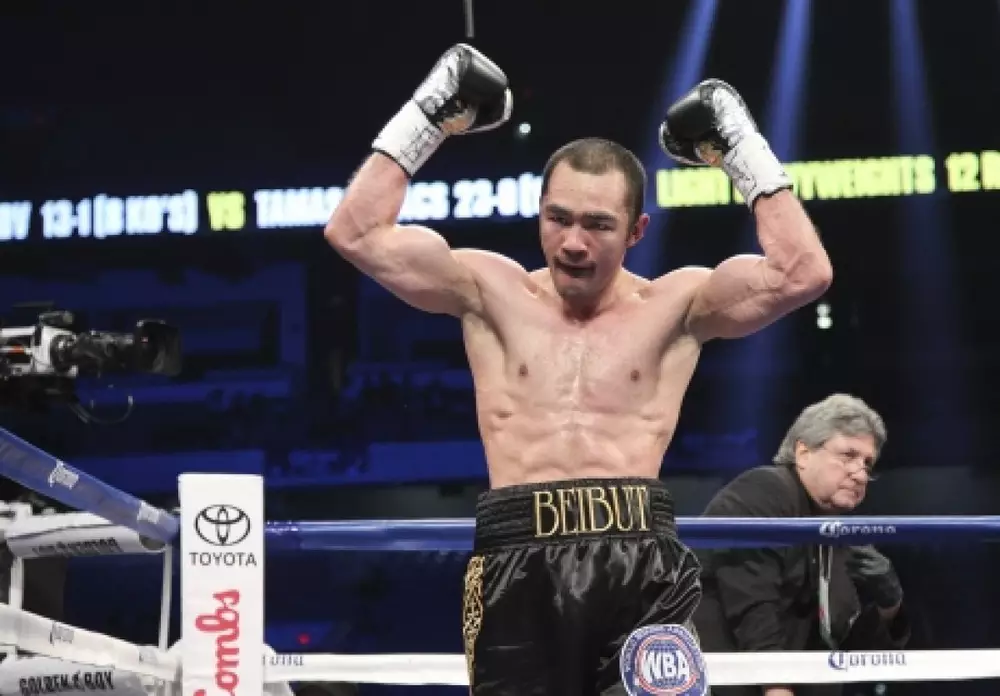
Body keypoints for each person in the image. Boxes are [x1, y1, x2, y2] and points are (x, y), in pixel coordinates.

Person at [325, 44, 832, 696]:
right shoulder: (487, 291)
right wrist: (426, 120)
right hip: (516, 558)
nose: (572, 242)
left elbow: (802, 272)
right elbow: (355, 232)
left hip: (640, 558)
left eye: (598, 225)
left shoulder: (677, 306)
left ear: (637, 231)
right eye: (558, 218)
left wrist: (741, 148)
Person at [693, 394, 910, 696]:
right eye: (848, 456)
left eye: (867, 463)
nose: (860, 474)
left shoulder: (842, 534)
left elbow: (850, 653)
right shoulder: (764, 491)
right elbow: (754, 609)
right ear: (803, 453)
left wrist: (890, 605)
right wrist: (777, 690)